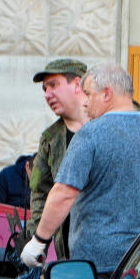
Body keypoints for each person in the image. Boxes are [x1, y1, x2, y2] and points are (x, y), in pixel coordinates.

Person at [21, 63, 140, 279]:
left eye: (89, 94)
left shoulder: (89, 135)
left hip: (97, 267)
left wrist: (38, 241)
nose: (85, 102)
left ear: (107, 94)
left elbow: (64, 193)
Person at [27, 58, 89, 259]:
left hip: (120, 250)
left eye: (54, 85)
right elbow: (40, 193)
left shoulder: (113, 123)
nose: (47, 94)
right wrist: (35, 242)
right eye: (44, 89)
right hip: (72, 254)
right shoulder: (50, 140)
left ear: (78, 84)